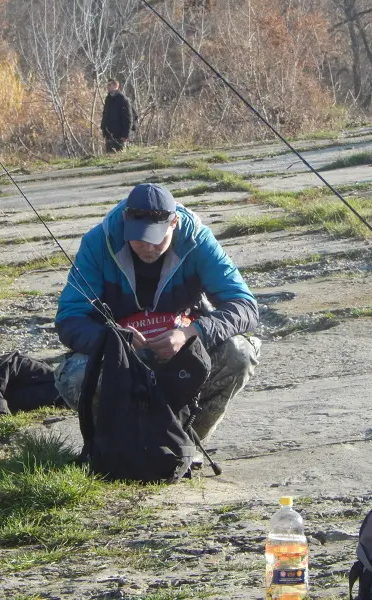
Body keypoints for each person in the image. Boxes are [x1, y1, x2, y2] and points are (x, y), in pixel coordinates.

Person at [54, 182, 260, 443]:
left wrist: (191, 333)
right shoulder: (97, 243)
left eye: (157, 239)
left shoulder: (198, 240)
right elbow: (69, 318)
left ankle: (186, 444)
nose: (148, 248)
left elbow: (244, 306)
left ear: (173, 223)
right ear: (125, 220)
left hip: (184, 351)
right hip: (119, 357)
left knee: (239, 353)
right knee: (76, 375)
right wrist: (112, 340)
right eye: (139, 239)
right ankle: (117, 449)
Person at [100, 79, 133, 153]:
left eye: (109, 85)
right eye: (107, 85)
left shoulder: (123, 99)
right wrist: (104, 129)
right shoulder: (108, 99)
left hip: (119, 135)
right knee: (109, 158)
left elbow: (128, 118)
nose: (107, 87)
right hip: (109, 134)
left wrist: (125, 135)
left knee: (119, 158)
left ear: (115, 86)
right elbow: (105, 115)